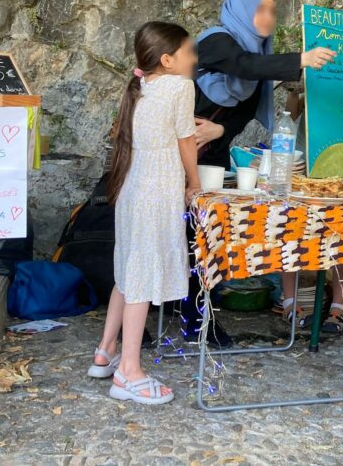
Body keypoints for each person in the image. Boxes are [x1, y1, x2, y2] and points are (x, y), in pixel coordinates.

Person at [192, 0, 343, 334]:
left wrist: (219, 131)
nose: (267, 18)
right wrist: (300, 60)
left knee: (203, 231)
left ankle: (196, 310)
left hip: (212, 155)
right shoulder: (217, 42)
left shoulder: (257, 57)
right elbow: (243, 65)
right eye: (259, 10)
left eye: (272, 11)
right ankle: (180, 310)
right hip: (180, 152)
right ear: (241, 11)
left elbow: (240, 112)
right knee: (183, 229)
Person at [88, 22, 200, 405]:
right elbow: (186, 139)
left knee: (129, 267)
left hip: (133, 186)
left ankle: (105, 351)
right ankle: (128, 372)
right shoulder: (180, 86)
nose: (194, 59)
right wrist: (195, 183)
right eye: (190, 52)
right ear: (168, 60)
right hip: (157, 188)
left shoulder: (143, 86)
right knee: (140, 275)